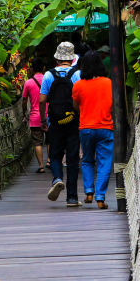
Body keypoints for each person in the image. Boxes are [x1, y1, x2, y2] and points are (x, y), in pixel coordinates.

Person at [39, 41, 81, 207]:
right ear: (72, 59)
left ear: (57, 58)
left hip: (54, 121)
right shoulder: (77, 74)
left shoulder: (49, 75)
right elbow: (79, 98)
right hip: (73, 121)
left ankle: (57, 178)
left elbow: (42, 100)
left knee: (55, 155)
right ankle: (71, 197)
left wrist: (43, 119)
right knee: (72, 158)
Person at [72, 50, 114, 209]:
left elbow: (75, 106)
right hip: (105, 127)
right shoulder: (108, 83)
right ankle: (100, 198)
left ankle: (89, 191)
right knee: (104, 163)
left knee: (88, 160)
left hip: (86, 129)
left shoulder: (78, 85)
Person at [22, 58, 48, 173]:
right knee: (50, 140)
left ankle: (41, 166)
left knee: (37, 142)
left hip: (34, 117)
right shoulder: (48, 80)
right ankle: (49, 161)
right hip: (49, 115)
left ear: (31, 69)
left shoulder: (28, 83)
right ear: (43, 68)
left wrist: (24, 114)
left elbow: (24, 101)